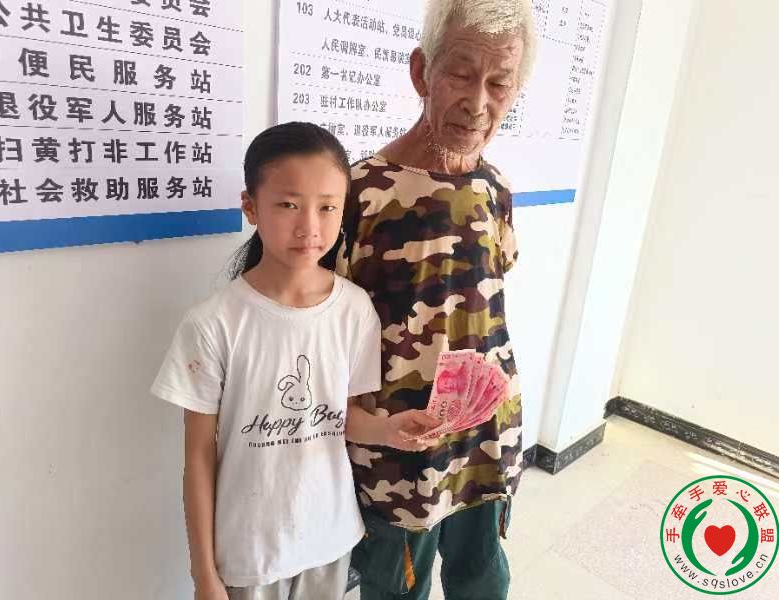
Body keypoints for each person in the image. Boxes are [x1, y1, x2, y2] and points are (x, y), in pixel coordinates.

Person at [151, 122, 439, 600]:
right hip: (249, 553)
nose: (310, 227)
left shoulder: (354, 309)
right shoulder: (213, 323)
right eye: (288, 205)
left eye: (328, 207)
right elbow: (198, 456)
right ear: (250, 207)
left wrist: (389, 430)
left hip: (329, 539)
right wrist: (204, 573)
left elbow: (344, 418)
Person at [335, 1, 538, 599]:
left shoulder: (496, 187)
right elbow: (318, 332)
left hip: (485, 436)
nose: (477, 103)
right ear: (422, 71)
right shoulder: (357, 192)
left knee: (482, 575)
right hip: (396, 445)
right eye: (461, 73)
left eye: (499, 83)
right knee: (395, 585)